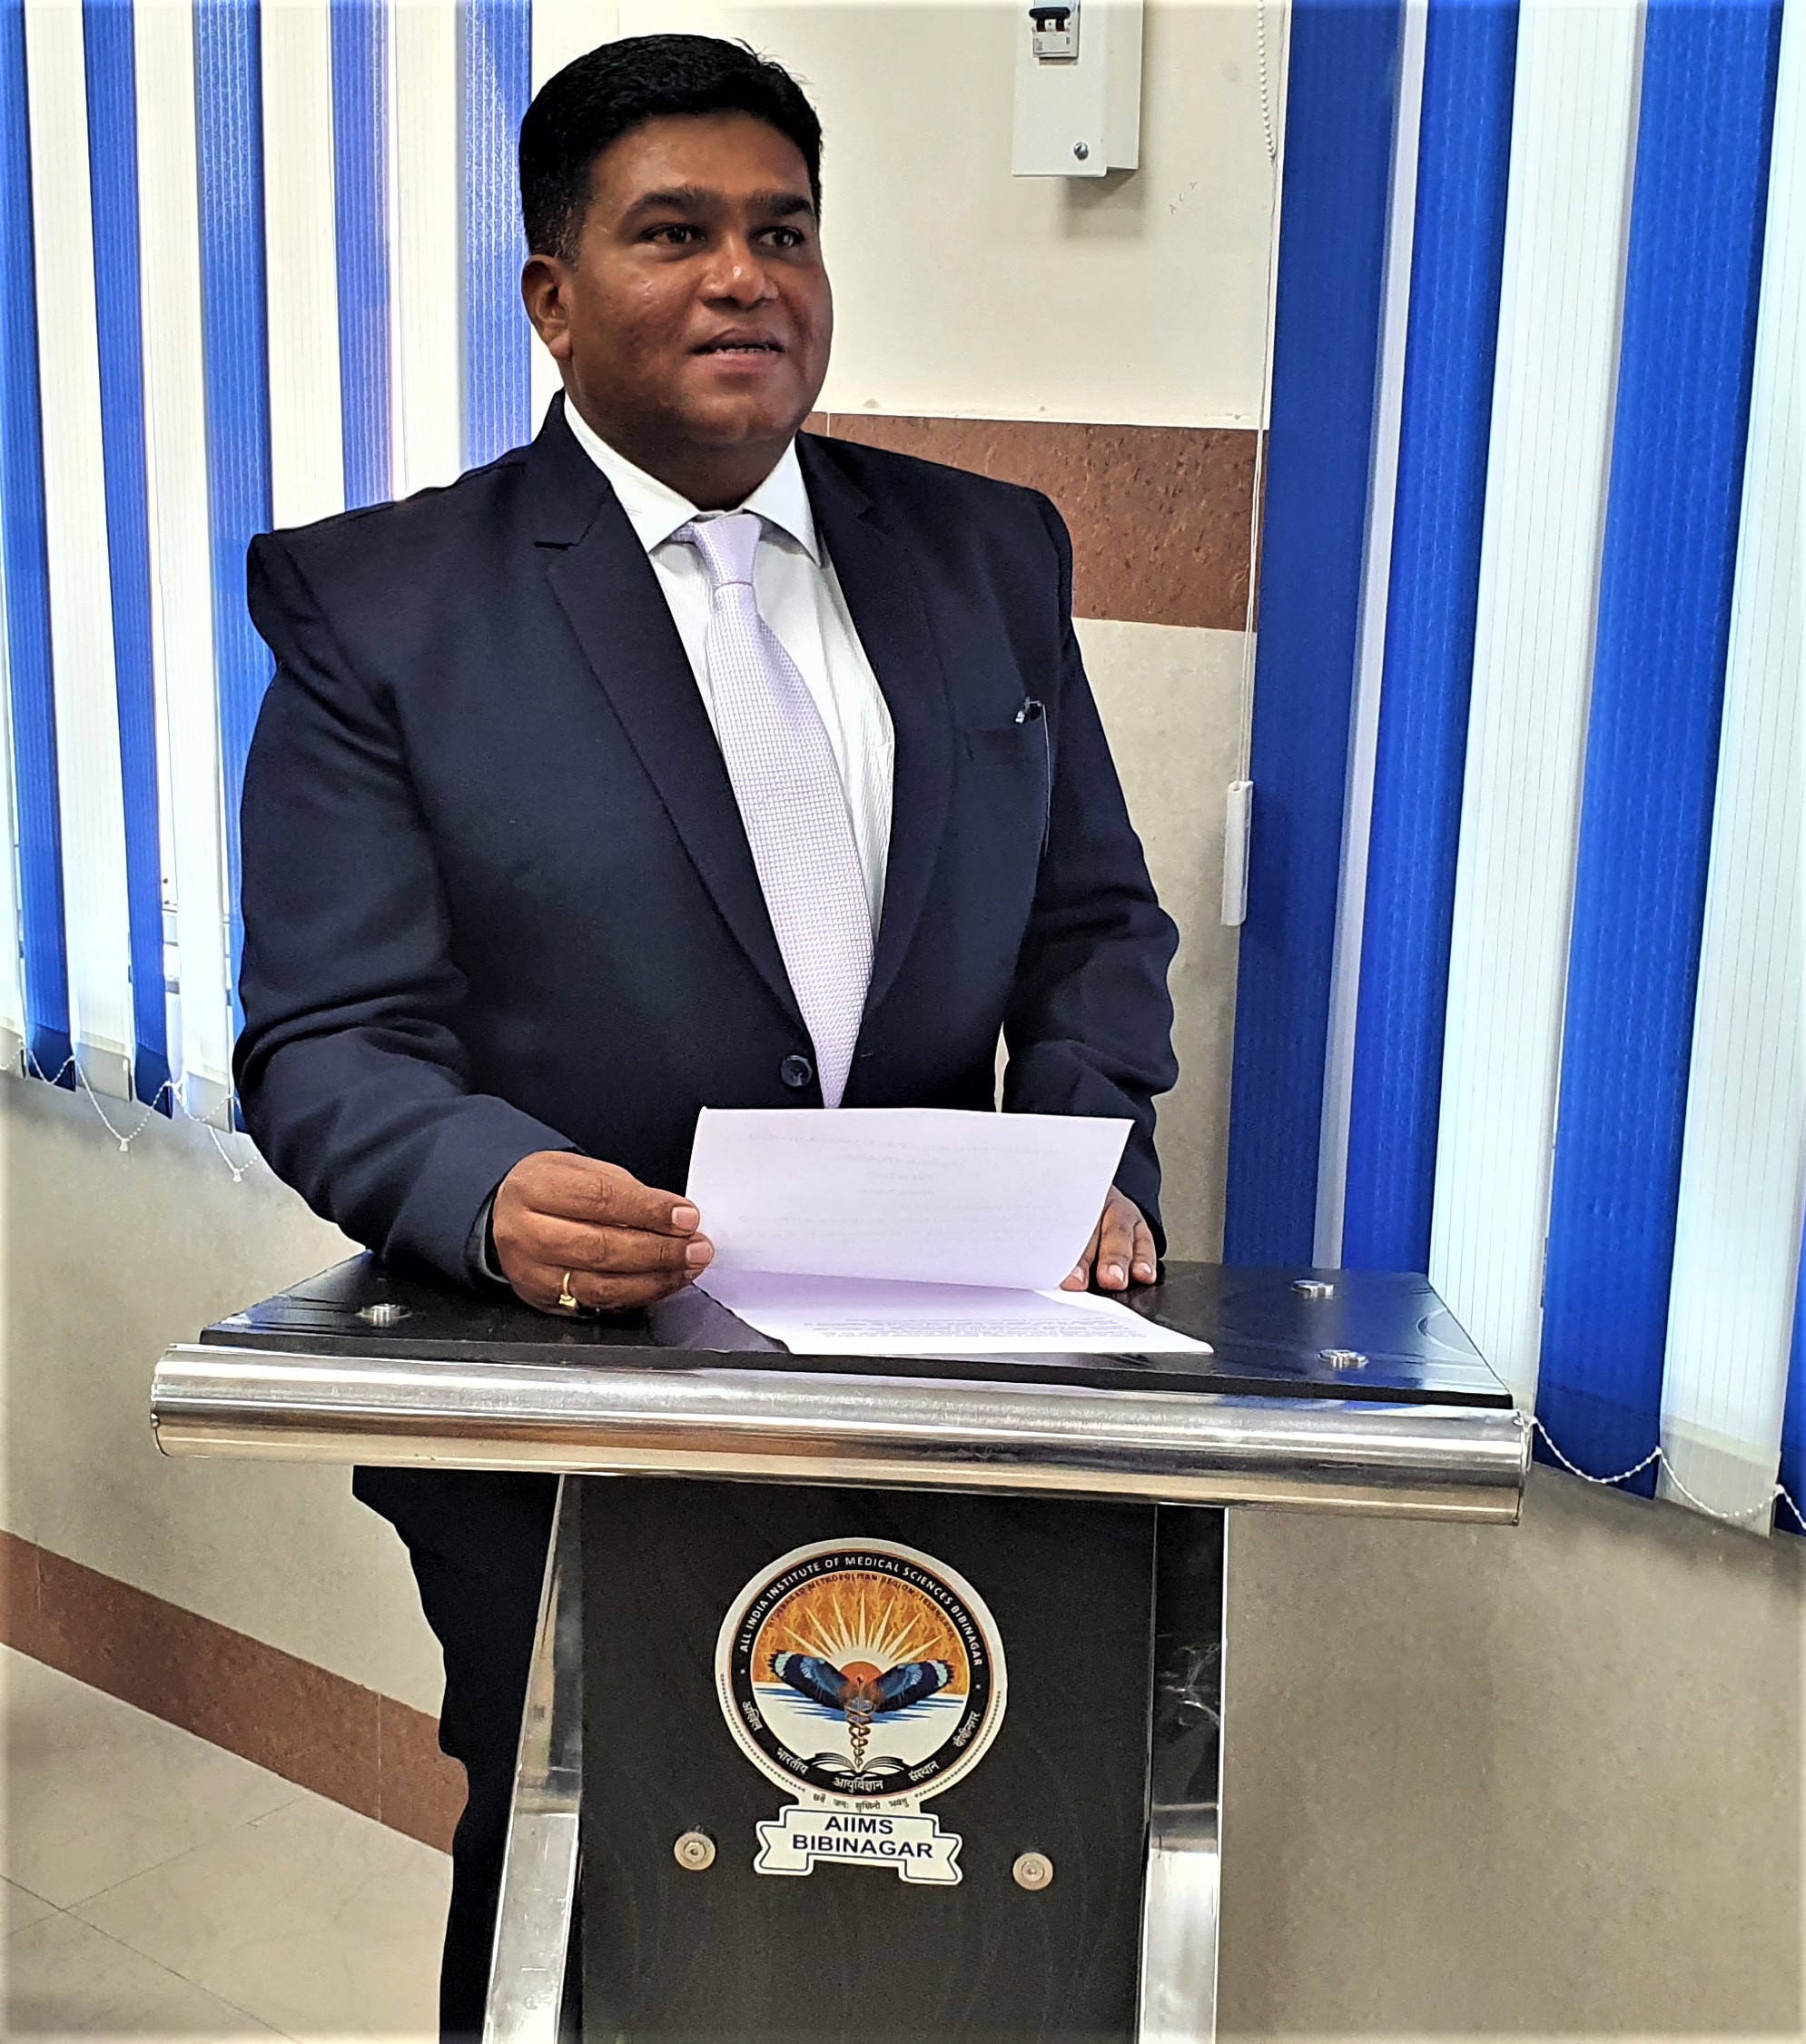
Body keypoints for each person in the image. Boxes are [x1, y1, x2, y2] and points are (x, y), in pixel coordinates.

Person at [235, 32, 1179, 2039]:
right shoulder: (381, 606)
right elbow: (327, 1035)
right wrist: (491, 1189)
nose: (746, 276)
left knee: (946, 1864)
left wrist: (1089, 1149)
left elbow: (1092, 924)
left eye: (783, 231)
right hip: (565, 1407)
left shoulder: (987, 554)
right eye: (673, 232)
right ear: (552, 297)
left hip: (949, 1389)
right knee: (588, 1884)